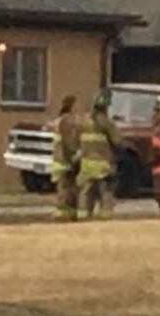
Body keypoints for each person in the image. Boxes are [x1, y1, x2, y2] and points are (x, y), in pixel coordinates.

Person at [78, 90, 123, 220]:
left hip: (86, 163)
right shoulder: (106, 122)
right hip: (103, 163)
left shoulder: (84, 121)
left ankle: (83, 215)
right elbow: (117, 141)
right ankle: (105, 215)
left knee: (86, 191)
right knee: (106, 191)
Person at [50, 94, 82, 221]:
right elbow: (69, 142)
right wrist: (75, 156)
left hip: (59, 160)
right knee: (67, 188)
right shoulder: (67, 121)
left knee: (64, 188)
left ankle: (65, 212)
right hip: (66, 160)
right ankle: (65, 213)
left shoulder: (60, 120)